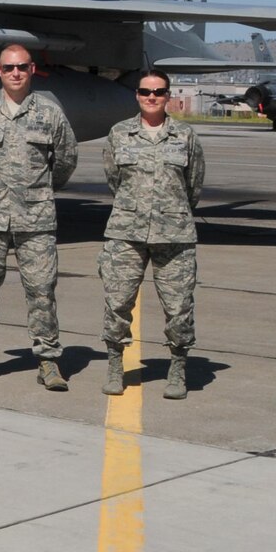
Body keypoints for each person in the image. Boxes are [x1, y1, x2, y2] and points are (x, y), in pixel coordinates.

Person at [0, 44, 80, 390]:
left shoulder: (50, 114)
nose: (16, 73)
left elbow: (65, 160)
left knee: (41, 291)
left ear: (32, 69)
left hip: (36, 220)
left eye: (22, 67)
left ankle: (48, 361)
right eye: (9, 68)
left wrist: (38, 191)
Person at [100, 67, 205, 400]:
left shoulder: (185, 136)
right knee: (117, 302)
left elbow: (194, 186)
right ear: (137, 95)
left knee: (179, 307)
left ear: (168, 96)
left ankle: (177, 367)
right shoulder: (119, 134)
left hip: (174, 235)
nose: (151, 97)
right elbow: (113, 179)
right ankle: (115, 365)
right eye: (145, 92)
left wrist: (171, 211)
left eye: (158, 92)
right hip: (126, 233)